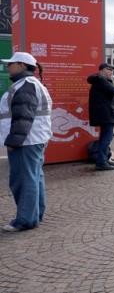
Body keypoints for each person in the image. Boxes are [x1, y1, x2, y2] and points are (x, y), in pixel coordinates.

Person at [0, 52, 52, 232]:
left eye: (11, 64)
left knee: (24, 180)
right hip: (33, 139)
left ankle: (25, 220)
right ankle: (34, 215)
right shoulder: (31, 84)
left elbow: (23, 117)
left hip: (26, 141)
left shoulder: (25, 85)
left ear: (22, 65)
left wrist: (14, 142)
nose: (8, 67)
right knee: (33, 178)